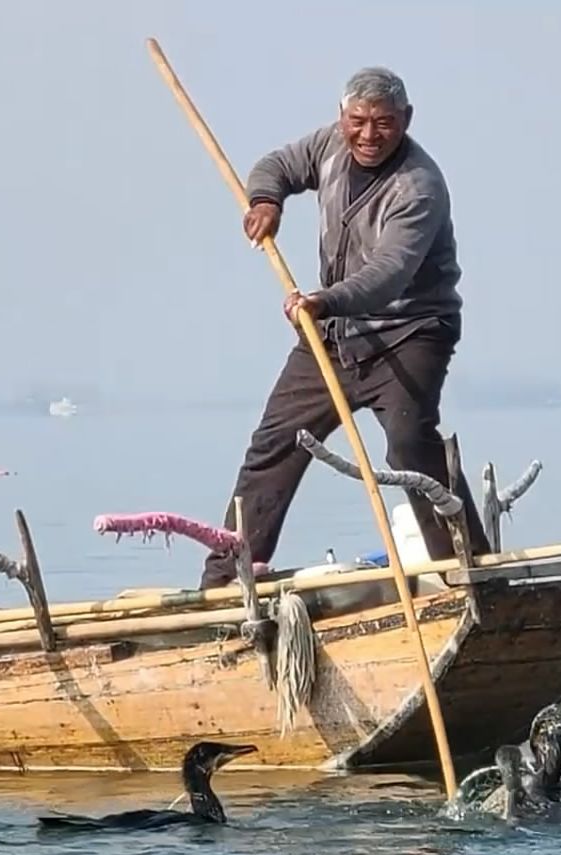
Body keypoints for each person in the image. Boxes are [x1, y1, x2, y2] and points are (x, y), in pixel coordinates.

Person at [200, 65, 491, 591]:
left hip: (410, 331)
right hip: (332, 333)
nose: (369, 135)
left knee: (409, 445)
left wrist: (323, 300)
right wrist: (268, 200)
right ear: (341, 119)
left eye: (383, 123)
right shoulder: (328, 146)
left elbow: (388, 273)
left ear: (406, 119)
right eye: (358, 121)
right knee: (274, 443)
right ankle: (224, 581)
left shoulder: (418, 186)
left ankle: (466, 568)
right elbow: (277, 165)